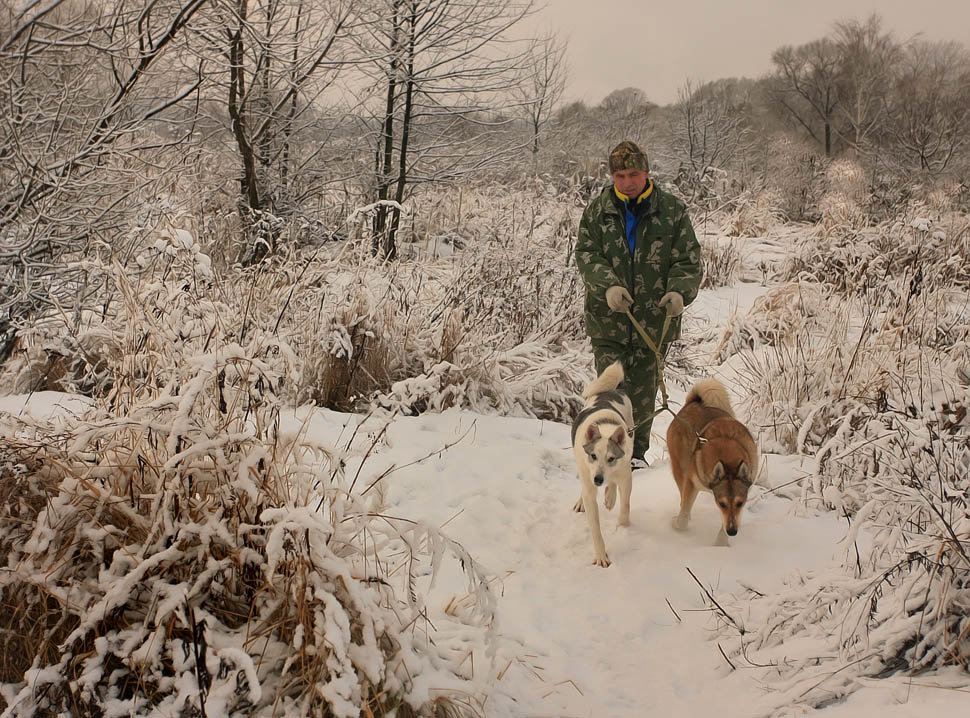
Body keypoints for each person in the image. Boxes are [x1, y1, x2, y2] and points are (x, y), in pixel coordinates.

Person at [575, 140, 703, 463]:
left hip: (653, 326)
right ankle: (604, 462)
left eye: (633, 173)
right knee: (609, 399)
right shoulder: (596, 212)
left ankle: (636, 460)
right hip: (608, 324)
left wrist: (679, 292)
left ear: (646, 171)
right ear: (612, 176)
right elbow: (587, 255)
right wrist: (607, 286)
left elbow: (688, 261)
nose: (627, 182)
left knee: (643, 404)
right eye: (619, 175)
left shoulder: (672, 211)